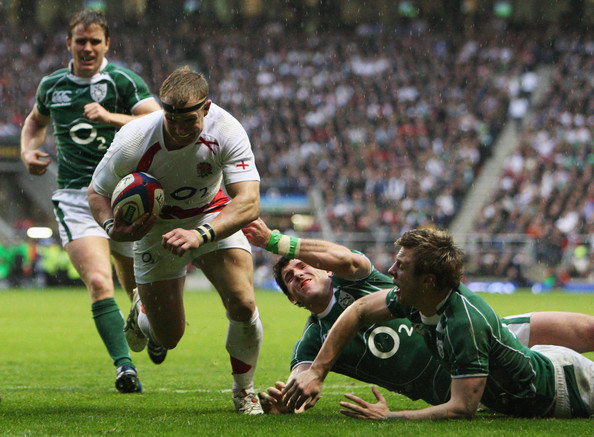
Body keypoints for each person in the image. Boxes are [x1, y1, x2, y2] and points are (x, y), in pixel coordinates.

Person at [263, 226, 594, 419]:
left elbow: (353, 285)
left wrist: (278, 242)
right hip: (453, 374)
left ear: (325, 269)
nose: (298, 274)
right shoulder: (313, 339)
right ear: (292, 299)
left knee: (587, 331)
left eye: (303, 265)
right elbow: (302, 376)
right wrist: (289, 399)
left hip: (475, 335)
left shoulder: (358, 279)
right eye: (289, 277)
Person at [88, 66, 264, 414]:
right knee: (168, 337)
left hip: (210, 214)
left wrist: (201, 234)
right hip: (156, 226)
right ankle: (140, 310)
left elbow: (249, 201)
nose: (181, 130)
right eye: (172, 120)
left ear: (206, 108)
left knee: (243, 304)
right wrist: (111, 227)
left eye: (189, 121)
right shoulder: (134, 139)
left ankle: (244, 391)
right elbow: (97, 192)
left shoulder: (227, 130)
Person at [20, 10, 161, 393]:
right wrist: (28, 151)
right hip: (76, 196)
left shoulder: (123, 81)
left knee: (138, 291)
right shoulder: (53, 85)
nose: (87, 48)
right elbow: (35, 121)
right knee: (99, 282)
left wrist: (109, 117)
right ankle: (125, 367)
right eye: (80, 41)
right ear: (68, 43)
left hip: (124, 195)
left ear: (106, 44)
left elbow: (158, 121)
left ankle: (150, 326)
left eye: (94, 41)